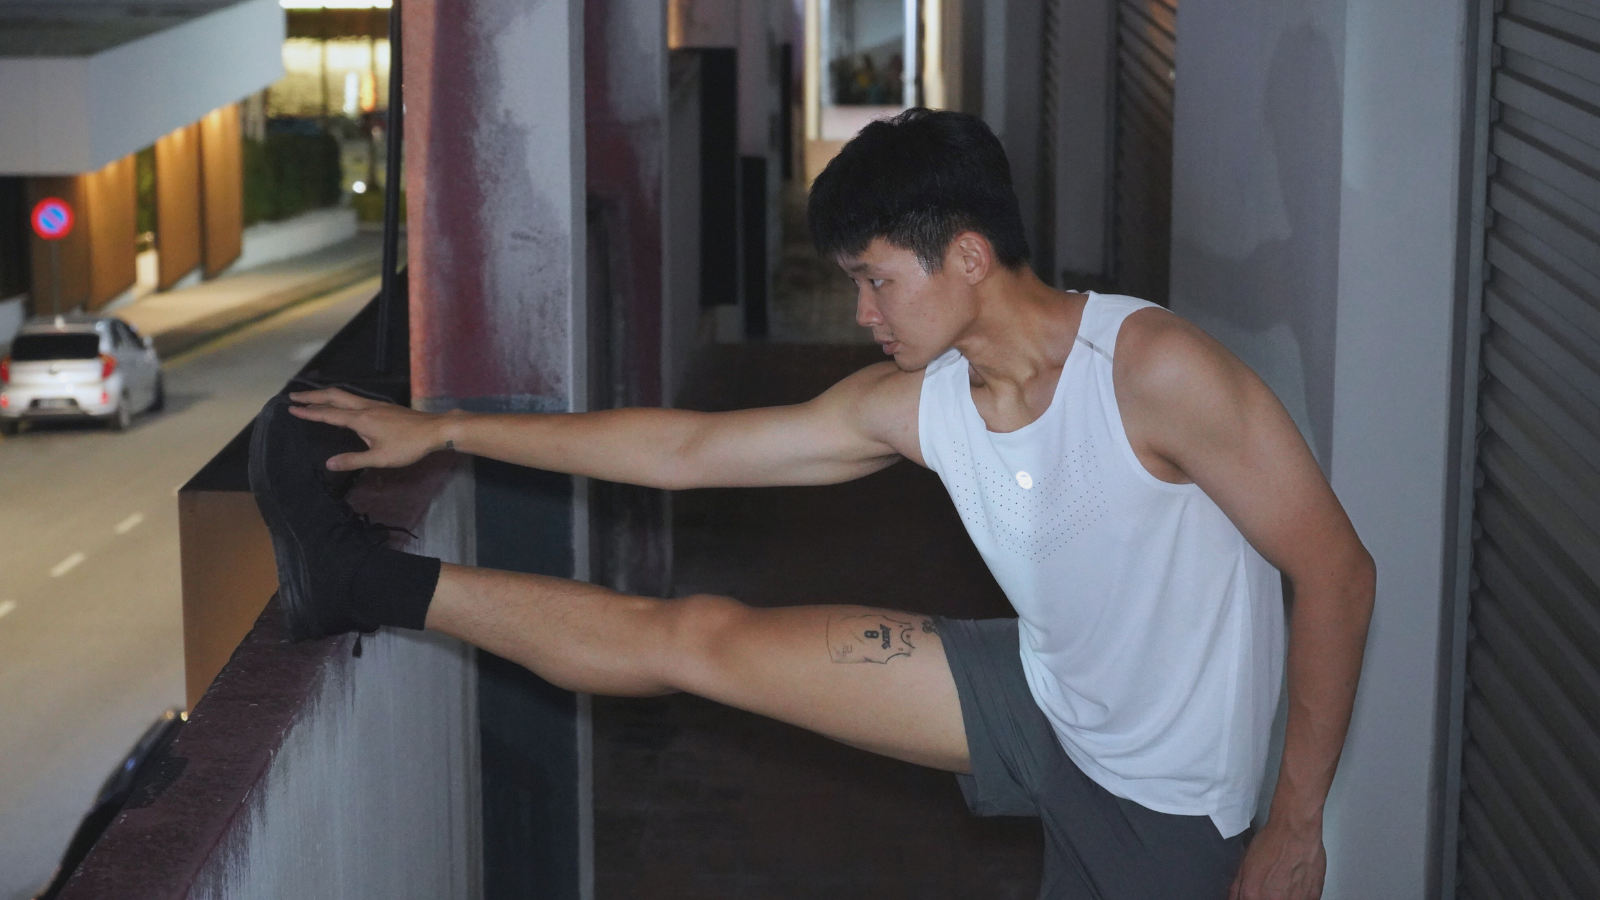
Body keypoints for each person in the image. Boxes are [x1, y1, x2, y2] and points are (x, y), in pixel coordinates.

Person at [250, 108, 1374, 900]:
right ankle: (356, 580)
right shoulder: (925, 403)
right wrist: (445, 428)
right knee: (698, 637)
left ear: (969, 255)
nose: (861, 311)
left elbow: (1334, 570)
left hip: (1172, 816)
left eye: (875, 278)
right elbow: (687, 449)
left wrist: (1295, 823)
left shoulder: (1155, 372)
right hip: (1042, 697)